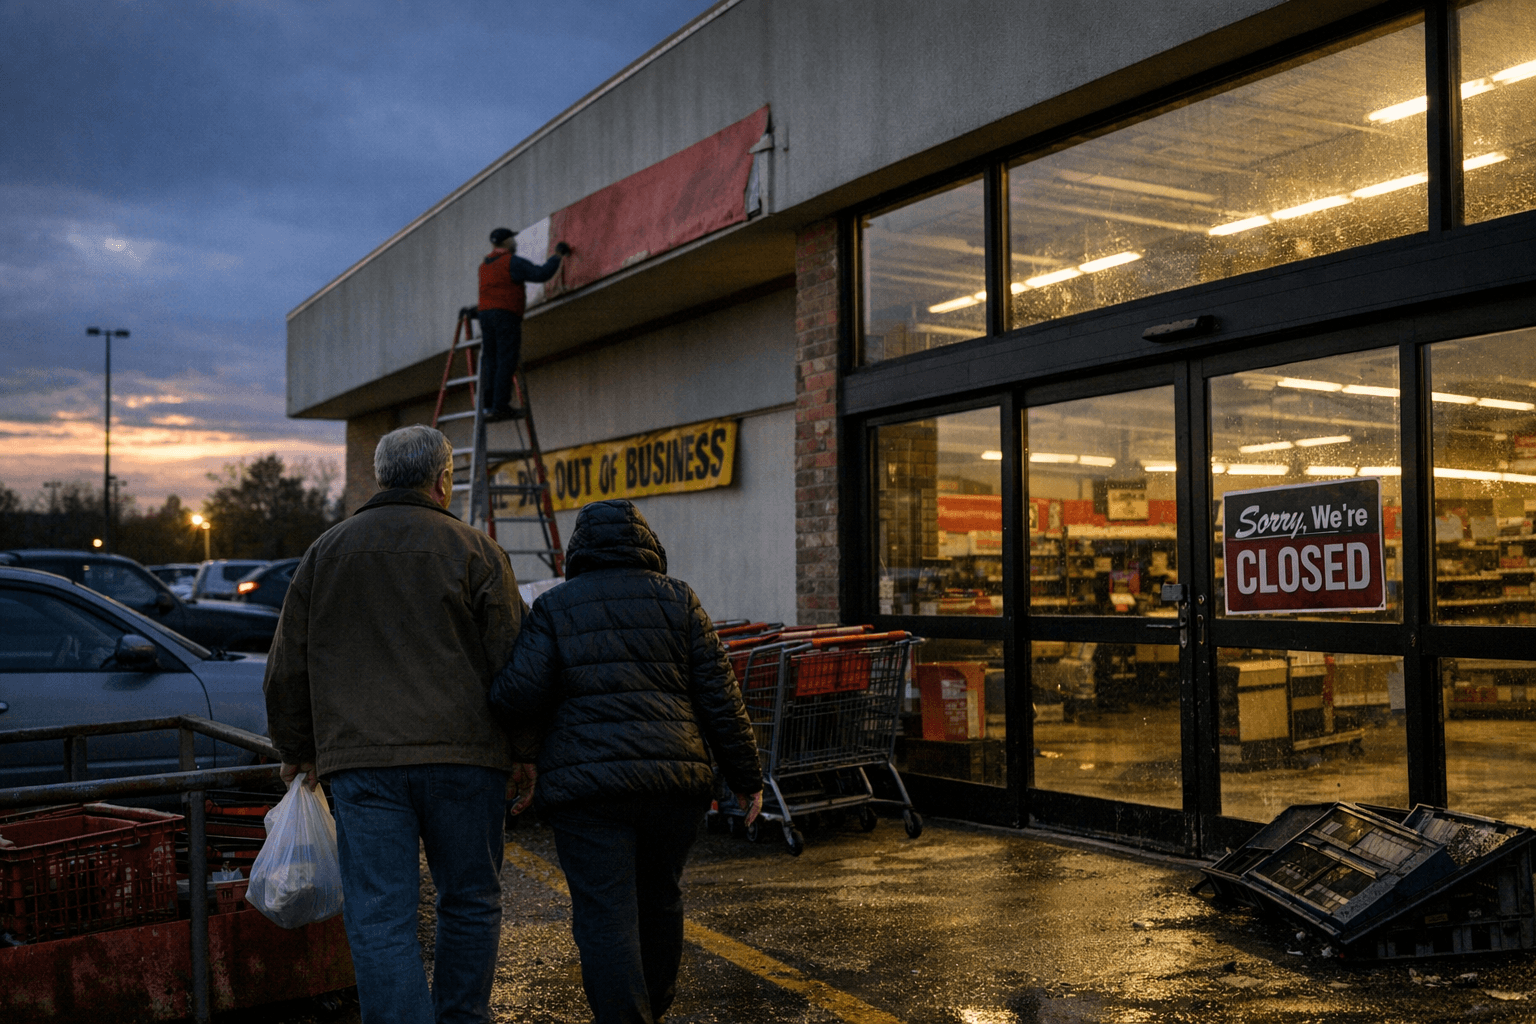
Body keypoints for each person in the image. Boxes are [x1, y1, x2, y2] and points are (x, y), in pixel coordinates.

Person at [263, 423, 536, 1024]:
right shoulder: (477, 551)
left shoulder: (326, 552)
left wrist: (297, 747)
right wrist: (524, 749)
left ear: (382, 477)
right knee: (468, 902)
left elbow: (287, 664)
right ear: (443, 480)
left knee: (380, 915)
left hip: (364, 766)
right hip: (466, 762)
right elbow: (511, 661)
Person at [490, 499, 763, 1024]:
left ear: (579, 551)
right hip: (673, 786)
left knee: (604, 915)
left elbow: (514, 697)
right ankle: (652, 1010)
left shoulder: (556, 606)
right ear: (648, 544)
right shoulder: (679, 600)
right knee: (661, 901)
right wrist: (747, 777)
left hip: (589, 793)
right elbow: (720, 698)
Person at [478, 227, 570, 421]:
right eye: (513, 239)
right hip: (506, 316)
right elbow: (541, 274)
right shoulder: (511, 262)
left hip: (486, 317)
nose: (515, 242)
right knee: (506, 359)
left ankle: (487, 404)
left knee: (491, 360)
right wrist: (558, 255)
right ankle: (500, 405)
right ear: (506, 241)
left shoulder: (484, 266)